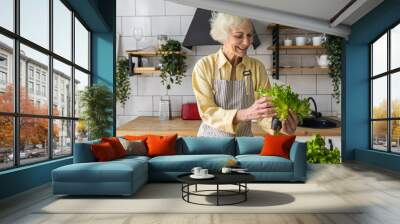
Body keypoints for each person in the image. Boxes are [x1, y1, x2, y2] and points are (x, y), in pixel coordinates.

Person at [192, 12, 299, 137]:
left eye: (249, 35)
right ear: (223, 36)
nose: (246, 42)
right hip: (211, 144)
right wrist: (246, 114)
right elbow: (207, 111)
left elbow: (265, 112)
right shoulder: (205, 66)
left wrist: (279, 126)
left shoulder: (256, 67)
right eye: (239, 36)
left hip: (243, 145)